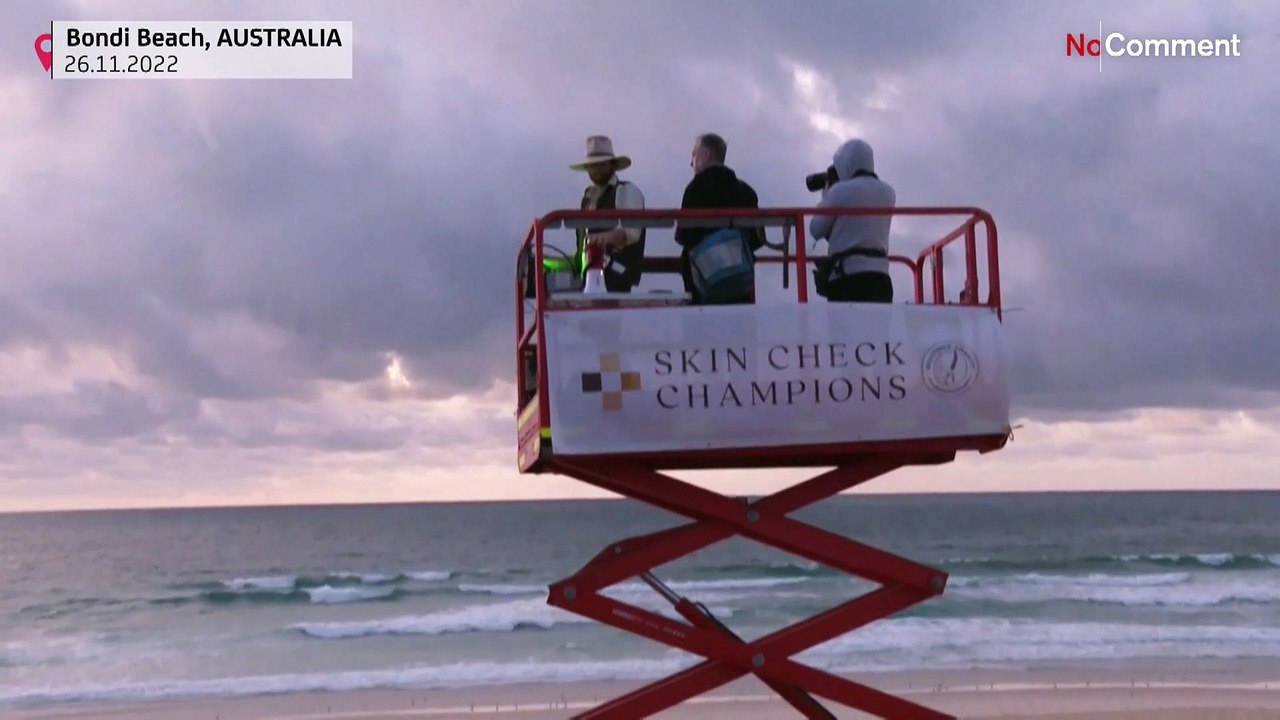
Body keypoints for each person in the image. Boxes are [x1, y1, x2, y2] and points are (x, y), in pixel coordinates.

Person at [674, 133, 764, 304]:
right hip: (739, 284)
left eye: (694, 154)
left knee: (702, 329)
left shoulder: (696, 188)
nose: (691, 162)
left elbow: (684, 236)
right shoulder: (747, 191)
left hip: (705, 285)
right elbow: (757, 239)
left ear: (706, 155)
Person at [809, 138, 896, 303]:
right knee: (877, 329)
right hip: (881, 278)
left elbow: (816, 229)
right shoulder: (888, 192)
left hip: (848, 278)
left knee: (844, 329)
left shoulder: (839, 191)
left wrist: (826, 196)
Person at [569, 135, 646, 292]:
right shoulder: (588, 199)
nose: (595, 170)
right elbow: (582, 246)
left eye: (600, 164)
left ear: (613, 165)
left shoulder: (626, 190)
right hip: (589, 280)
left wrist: (603, 239)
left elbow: (631, 233)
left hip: (616, 277)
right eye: (591, 166)